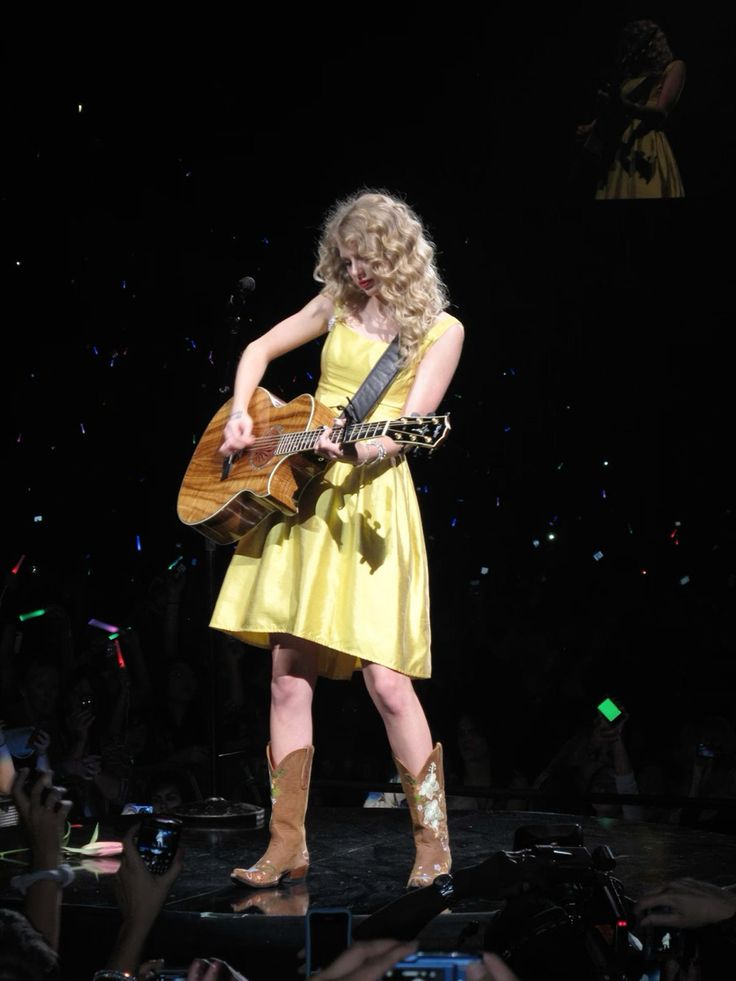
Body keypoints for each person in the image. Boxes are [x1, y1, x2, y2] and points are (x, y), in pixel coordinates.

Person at [210, 189, 464, 889]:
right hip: (308, 500)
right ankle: (286, 842)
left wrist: (354, 449)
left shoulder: (441, 332)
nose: (356, 273)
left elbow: (408, 430)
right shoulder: (336, 302)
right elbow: (258, 349)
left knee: (386, 680)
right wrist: (240, 416)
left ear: (400, 257)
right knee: (287, 677)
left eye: (368, 261)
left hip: (373, 505)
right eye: (347, 260)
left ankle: (433, 844)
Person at [577, 19, 686, 199]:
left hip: (647, 141)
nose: (634, 48)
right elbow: (617, 108)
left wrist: (627, 106)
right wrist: (591, 127)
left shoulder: (674, 67)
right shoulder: (632, 74)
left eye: (638, 42)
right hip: (619, 145)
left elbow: (662, 113)